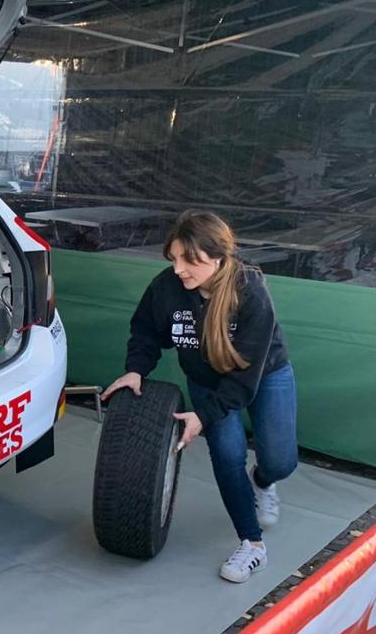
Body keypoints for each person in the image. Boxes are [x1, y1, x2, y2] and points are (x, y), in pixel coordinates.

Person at [101, 210, 296, 584]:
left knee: (281, 460)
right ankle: (252, 545)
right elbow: (144, 331)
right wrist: (136, 369)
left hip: (264, 374)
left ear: (218, 259)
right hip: (206, 379)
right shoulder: (166, 288)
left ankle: (265, 481)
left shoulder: (250, 290)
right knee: (226, 454)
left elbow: (245, 378)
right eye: (174, 258)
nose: (179, 269)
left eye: (190, 261)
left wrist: (205, 416)